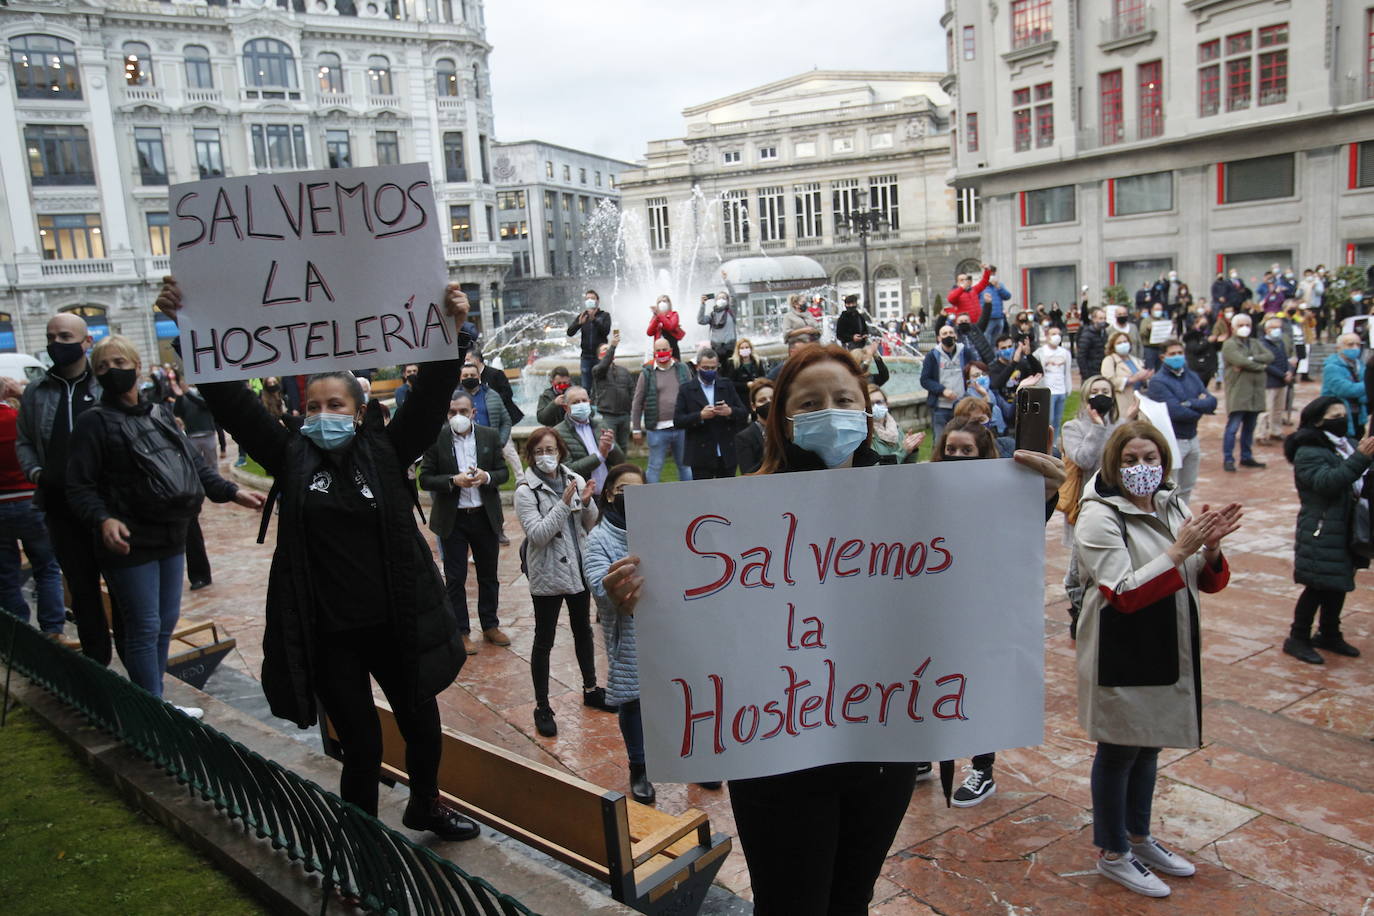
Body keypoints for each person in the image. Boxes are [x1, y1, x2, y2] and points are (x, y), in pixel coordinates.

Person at [598, 345, 1066, 916]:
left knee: (851, 899)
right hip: (775, 754)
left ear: (867, 412)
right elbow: (705, 623)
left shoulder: (911, 501)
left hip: (881, 748)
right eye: (811, 402)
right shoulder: (738, 515)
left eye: (845, 400)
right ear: (784, 418)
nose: (832, 411)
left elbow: (973, 564)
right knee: (791, 904)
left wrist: (1028, 503)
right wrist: (640, 595)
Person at [160, 277, 482, 840]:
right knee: (361, 745)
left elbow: (432, 396)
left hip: (395, 621)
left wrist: (451, 331)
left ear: (358, 412)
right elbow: (230, 400)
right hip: (330, 630)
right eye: (313, 405)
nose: (323, 413)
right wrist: (194, 331)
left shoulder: (386, 451)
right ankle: (360, 846)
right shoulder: (289, 456)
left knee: (422, 723)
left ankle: (425, 804)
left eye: (335, 404)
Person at [1074, 421, 1240, 898]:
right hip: (1122, 644)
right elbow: (1121, 592)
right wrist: (1178, 550)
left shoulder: (1171, 502)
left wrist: (1210, 549)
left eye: (1150, 459)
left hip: (1167, 642)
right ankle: (1112, 850)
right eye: (1130, 460)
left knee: (1149, 745)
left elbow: (1202, 579)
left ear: (1165, 462)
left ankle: (1139, 837)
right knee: (1119, 748)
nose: (1142, 469)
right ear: (1112, 465)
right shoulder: (1098, 515)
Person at [66, 334, 261, 705]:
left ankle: (155, 701)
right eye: (103, 367)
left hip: (171, 535)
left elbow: (193, 465)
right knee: (143, 626)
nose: (112, 372)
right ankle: (153, 708)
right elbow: (80, 486)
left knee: (163, 625)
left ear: (137, 368)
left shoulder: (159, 414)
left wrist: (232, 492)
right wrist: (103, 519)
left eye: (120, 364)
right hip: (128, 542)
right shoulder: (93, 423)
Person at [16, 312, 121, 662]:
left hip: (109, 509)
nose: (56, 344)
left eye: (65, 336)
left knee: (122, 592)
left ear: (86, 342)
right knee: (81, 590)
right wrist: (36, 473)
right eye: (51, 337)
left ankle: (138, 673)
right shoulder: (36, 393)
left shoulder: (105, 388)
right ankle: (99, 669)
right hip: (61, 510)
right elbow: (25, 441)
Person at [515, 427, 615, 738]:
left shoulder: (574, 478)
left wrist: (585, 502)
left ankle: (590, 688)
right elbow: (539, 535)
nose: (546, 456)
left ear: (560, 451)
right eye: (539, 451)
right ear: (531, 455)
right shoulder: (525, 491)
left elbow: (590, 523)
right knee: (543, 638)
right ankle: (542, 706)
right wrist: (562, 503)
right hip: (547, 572)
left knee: (583, 630)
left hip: (578, 569)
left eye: (551, 449)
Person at [1281, 396, 1374, 665]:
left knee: (1340, 581)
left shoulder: (1346, 445)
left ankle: (1330, 632)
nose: (1342, 420)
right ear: (1317, 421)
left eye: (1344, 414)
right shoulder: (1309, 450)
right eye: (1335, 416)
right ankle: (1297, 637)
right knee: (1318, 585)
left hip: (1345, 524)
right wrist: (1361, 458)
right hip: (1321, 526)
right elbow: (1327, 483)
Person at [419, 391, 509, 656]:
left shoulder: (489, 436)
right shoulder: (437, 439)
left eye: (463, 411)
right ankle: (461, 631)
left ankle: (490, 625)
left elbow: (504, 472)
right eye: (452, 412)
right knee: (456, 578)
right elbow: (425, 478)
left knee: (488, 575)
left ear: (473, 412)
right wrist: (452, 481)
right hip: (454, 518)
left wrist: (487, 476)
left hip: (483, 515)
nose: (457, 416)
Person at [584, 463, 653, 804]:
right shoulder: (598, 539)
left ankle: (693, 760)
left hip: (669, 630)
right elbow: (598, 586)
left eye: (639, 490)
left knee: (680, 696)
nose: (631, 497)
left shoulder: (662, 527)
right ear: (610, 493)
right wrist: (615, 590)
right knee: (635, 700)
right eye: (624, 489)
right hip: (629, 634)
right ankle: (639, 766)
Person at [1058, 376, 1136, 633]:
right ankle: (1078, 611)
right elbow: (1082, 459)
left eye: (1105, 391)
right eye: (1095, 391)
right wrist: (1097, 427)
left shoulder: (1122, 426)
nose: (1100, 395)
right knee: (1079, 568)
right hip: (1086, 505)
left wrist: (1131, 423)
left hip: (1119, 503)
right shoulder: (1073, 427)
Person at [0, 377, 65, 639]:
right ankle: (52, 630)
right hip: (29, 499)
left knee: (5, 574)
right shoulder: (17, 419)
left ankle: (19, 633)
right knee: (47, 567)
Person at [1145, 340, 1217, 505]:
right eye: (1172, 354)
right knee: (1170, 489)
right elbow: (1175, 412)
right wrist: (1199, 406)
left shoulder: (1192, 375)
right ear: (1163, 357)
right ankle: (1169, 525)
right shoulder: (1158, 381)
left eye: (1179, 353)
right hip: (1173, 440)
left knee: (1188, 486)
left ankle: (1183, 520)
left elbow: (1212, 402)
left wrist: (1189, 403)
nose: (1177, 357)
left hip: (1193, 438)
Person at [172, 379, 219, 591]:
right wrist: (180, 396)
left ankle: (200, 573)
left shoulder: (202, 393)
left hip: (207, 434)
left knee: (210, 469)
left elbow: (205, 405)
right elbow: (178, 411)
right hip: (191, 436)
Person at [674, 349, 747, 479]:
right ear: (697, 367)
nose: (709, 371)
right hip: (700, 453)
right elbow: (678, 420)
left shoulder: (726, 384)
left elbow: (743, 412)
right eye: (705, 368)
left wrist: (729, 411)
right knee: (703, 495)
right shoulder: (686, 389)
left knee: (728, 491)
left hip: (726, 450)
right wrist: (700, 416)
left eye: (713, 368)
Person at [632, 339, 693, 483]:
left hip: (682, 427)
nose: (662, 353)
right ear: (654, 353)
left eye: (664, 349)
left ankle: (691, 497)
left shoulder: (682, 369)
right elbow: (637, 402)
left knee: (685, 466)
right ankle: (651, 499)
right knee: (655, 466)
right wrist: (635, 429)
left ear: (671, 350)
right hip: (657, 429)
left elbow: (692, 394)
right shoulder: (646, 373)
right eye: (658, 351)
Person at [1220, 314, 1273, 472]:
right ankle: (1228, 458)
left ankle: (1246, 456)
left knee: (1250, 427)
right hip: (1238, 391)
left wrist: (1251, 359)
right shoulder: (1229, 344)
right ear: (1234, 327)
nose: (1245, 328)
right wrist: (1260, 366)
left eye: (1247, 324)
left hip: (1255, 393)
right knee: (1233, 427)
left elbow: (1269, 356)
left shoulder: (1255, 343)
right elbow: (1239, 361)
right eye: (1241, 325)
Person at [555, 385, 625, 493]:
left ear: (589, 402)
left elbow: (620, 461)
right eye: (575, 402)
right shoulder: (558, 433)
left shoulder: (600, 425)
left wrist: (611, 447)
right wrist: (599, 456)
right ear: (565, 407)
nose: (581, 405)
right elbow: (568, 469)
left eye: (584, 401)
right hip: (583, 495)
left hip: (608, 492)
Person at [921, 323, 972, 440]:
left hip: (961, 404)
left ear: (956, 335)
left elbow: (973, 370)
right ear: (939, 338)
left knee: (964, 439)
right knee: (939, 441)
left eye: (950, 333)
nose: (948, 335)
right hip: (941, 406)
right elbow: (924, 380)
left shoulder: (965, 352)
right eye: (944, 333)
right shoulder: (932, 355)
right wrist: (942, 390)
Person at [592, 332, 635, 454]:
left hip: (624, 415)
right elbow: (604, 365)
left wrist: (631, 407)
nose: (608, 351)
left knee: (623, 446)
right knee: (611, 447)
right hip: (609, 416)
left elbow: (632, 389)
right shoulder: (597, 371)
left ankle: (622, 470)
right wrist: (613, 346)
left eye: (609, 349)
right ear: (600, 356)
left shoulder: (623, 371)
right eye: (605, 350)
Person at [1257, 316, 1295, 444]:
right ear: (1267, 329)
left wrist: (1289, 371)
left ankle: (1276, 431)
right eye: (1273, 328)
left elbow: (1286, 359)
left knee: (1278, 409)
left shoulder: (1280, 343)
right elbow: (1267, 365)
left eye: (1279, 328)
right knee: (1266, 410)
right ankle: (1261, 434)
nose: (1277, 330)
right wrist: (1283, 375)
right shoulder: (1262, 344)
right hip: (1269, 381)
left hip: (1282, 381)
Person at [1323, 332, 1368, 439]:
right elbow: (1347, 390)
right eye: (1350, 344)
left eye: (1358, 344)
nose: (1355, 348)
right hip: (1338, 415)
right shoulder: (1332, 367)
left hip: (1358, 414)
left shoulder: (1359, 365)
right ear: (1339, 347)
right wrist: (1369, 385)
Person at [1101, 331, 1153, 419]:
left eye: (1125, 342)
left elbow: (1142, 379)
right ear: (1113, 345)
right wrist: (1132, 379)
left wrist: (1146, 377)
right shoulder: (1109, 360)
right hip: (1122, 402)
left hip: (1140, 401)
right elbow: (1108, 381)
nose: (1123, 344)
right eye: (1119, 343)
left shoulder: (1136, 360)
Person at [567, 290, 611, 391]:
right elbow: (570, 332)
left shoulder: (605, 316)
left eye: (592, 298)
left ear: (597, 301)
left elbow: (605, 331)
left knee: (602, 386)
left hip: (600, 357)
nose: (589, 301)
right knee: (586, 387)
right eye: (587, 299)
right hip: (586, 357)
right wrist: (579, 323)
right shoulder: (583, 316)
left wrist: (594, 320)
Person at [867, 385, 923, 464]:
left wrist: (912, 449)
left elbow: (909, 464)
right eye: (871, 404)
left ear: (887, 404)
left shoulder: (895, 428)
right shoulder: (866, 435)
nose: (875, 407)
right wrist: (903, 451)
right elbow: (877, 468)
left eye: (878, 402)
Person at [1033, 325, 1072, 434]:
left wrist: (1068, 388)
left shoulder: (1065, 353)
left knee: (1057, 420)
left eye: (1059, 334)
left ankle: (1054, 442)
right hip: (1048, 390)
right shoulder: (1040, 352)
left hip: (1061, 390)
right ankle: (1045, 441)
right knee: (1048, 420)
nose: (1057, 337)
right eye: (1053, 334)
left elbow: (1067, 372)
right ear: (1047, 336)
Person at [735, 380, 773, 476]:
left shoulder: (788, 430)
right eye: (762, 400)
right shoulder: (744, 437)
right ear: (753, 406)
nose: (769, 403)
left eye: (772, 398)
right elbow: (748, 473)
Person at [699, 290, 738, 362]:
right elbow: (700, 320)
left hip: (730, 347)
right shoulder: (712, 315)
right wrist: (702, 304)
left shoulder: (731, 311)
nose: (721, 300)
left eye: (723, 298)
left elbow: (734, 296)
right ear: (716, 300)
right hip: (716, 347)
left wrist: (726, 280)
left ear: (727, 300)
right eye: (719, 298)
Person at [727, 338, 768, 405]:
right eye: (742, 348)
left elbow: (763, 378)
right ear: (738, 350)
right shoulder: (733, 363)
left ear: (751, 349)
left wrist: (758, 382)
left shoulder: (757, 361)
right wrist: (746, 385)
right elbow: (730, 383)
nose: (744, 349)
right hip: (741, 398)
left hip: (756, 395)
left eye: (746, 347)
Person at [647, 295, 686, 362]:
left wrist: (660, 315)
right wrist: (656, 317)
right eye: (659, 302)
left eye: (664, 301)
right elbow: (649, 332)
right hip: (658, 350)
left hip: (672, 349)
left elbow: (670, 327)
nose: (662, 303)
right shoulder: (655, 317)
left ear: (669, 303)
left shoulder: (674, 314)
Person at [1077, 307, 1109, 381]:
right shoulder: (1087, 334)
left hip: (1102, 369)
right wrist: (1085, 374)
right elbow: (1081, 356)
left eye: (1105, 318)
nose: (1103, 321)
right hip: (1090, 372)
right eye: (1100, 318)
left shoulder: (1104, 333)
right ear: (1094, 319)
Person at [980, 272, 1012, 343]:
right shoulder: (981, 287)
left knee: (998, 340)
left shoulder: (999, 286)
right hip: (988, 319)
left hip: (999, 317)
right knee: (987, 339)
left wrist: (999, 287)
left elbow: (1007, 296)